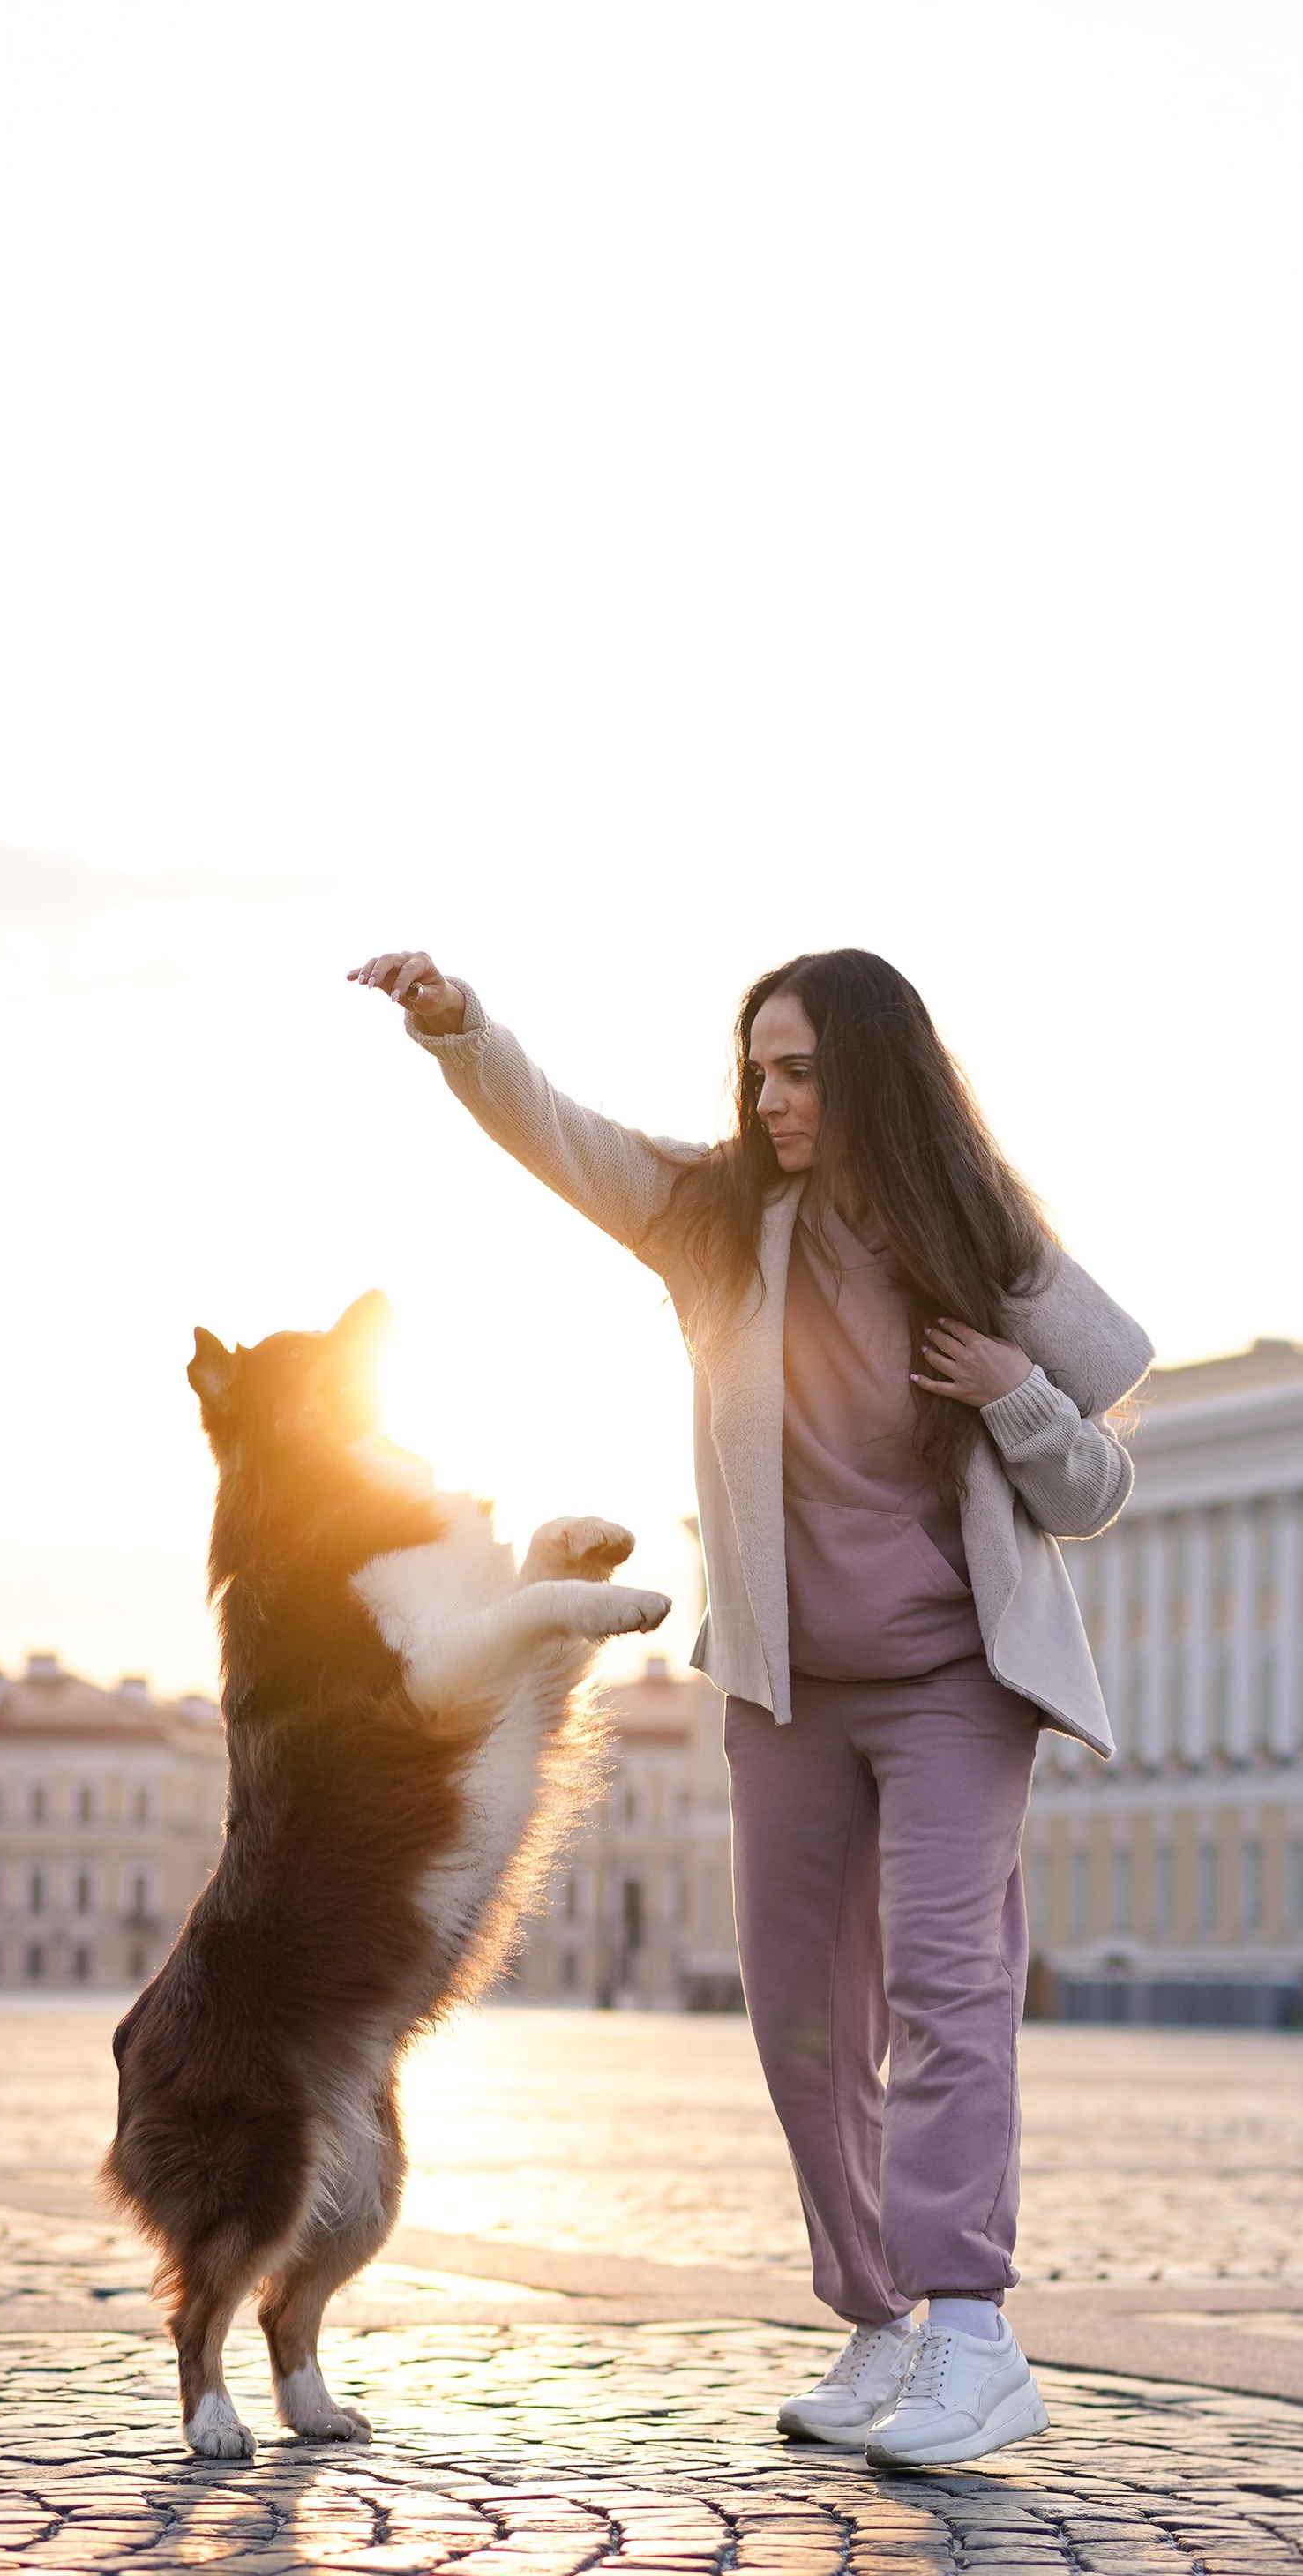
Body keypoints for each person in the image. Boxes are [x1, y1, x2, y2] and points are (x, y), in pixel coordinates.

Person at [349, 945, 1151, 2467]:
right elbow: (565, 1135)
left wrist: (1012, 1390)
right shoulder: (716, 1222)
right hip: (788, 1692)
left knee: (948, 1991)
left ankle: (974, 2334)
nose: (773, 1099)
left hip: (956, 1685)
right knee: (799, 2017)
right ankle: (881, 2322)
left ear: (875, 1077)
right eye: (760, 1072)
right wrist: (462, 1033)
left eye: (802, 1073)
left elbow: (1095, 1479)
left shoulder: (977, 1234)